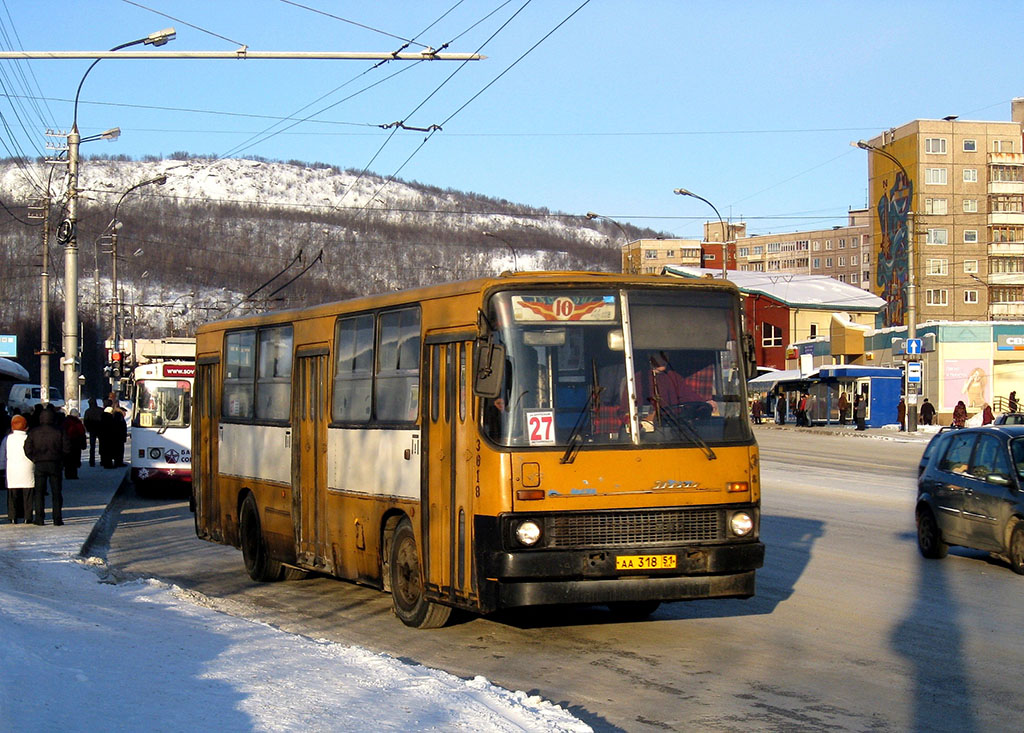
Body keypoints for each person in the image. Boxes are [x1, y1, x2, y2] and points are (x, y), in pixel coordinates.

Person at [24, 406, 72, 526]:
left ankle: (39, 518)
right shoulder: (59, 431)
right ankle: (57, 518)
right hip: (55, 463)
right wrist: (61, 458)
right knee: (56, 492)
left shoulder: (34, 432)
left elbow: (27, 448)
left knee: (39, 492)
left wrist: (34, 458)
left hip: (40, 463)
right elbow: (67, 447)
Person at [1, 415, 34, 523]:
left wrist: (2, 467)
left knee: (12, 494)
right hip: (27, 468)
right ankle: (27, 516)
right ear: (26, 427)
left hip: (12, 468)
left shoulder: (7, 439)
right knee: (28, 493)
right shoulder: (28, 438)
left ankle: (12, 516)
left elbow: (2, 454)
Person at [62, 408, 87, 479]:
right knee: (74, 459)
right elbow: (82, 432)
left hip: (67, 442)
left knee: (68, 459)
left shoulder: (65, 421)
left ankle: (67, 473)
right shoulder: (77, 422)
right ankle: (73, 474)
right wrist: (83, 444)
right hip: (76, 442)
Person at [83, 397, 104, 467]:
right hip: (100, 430)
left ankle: (92, 461)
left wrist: (88, 428)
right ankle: (103, 460)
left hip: (92, 430)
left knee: (92, 446)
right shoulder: (101, 410)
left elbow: (85, 421)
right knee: (102, 445)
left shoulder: (87, 411)